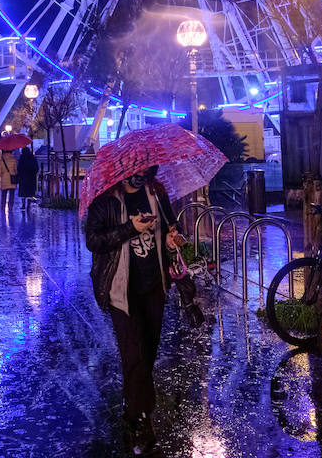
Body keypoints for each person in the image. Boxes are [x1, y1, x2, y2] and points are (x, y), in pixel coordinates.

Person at [83, 165, 180, 455]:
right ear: (123, 170)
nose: (142, 175)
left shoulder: (156, 192)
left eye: (146, 170)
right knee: (134, 352)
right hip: (121, 290)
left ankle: (132, 403)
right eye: (136, 169)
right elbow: (93, 241)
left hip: (153, 286)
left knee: (147, 352)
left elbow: (169, 226)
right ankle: (143, 419)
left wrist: (171, 239)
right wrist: (130, 229)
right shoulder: (105, 201)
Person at [17, 146, 39, 211]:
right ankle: (28, 205)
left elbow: (19, 168)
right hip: (31, 178)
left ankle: (23, 205)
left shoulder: (22, 158)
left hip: (23, 178)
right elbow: (36, 168)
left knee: (23, 192)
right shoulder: (33, 158)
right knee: (30, 192)